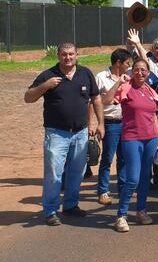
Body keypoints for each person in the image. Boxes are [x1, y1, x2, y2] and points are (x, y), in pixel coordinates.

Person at [25, 42, 104, 226]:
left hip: (80, 132)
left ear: (77, 55)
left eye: (71, 54)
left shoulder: (85, 73)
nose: (68, 57)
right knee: (54, 173)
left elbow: (96, 98)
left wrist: (101, 123)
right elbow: (28, 97)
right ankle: (51, 210)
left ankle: (70, 205)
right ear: (58, 56)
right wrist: (45, 86)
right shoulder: (49, 75)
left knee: (77, 172)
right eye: (64, 54)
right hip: (56, 133)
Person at [112, 59, 158, 232]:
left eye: (143, 70)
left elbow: (153, 116)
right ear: (131, 71)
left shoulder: (150, 91)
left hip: (151, 139)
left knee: (144, 178)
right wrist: (118, 82)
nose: (140, 72)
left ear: (148, 73)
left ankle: (141, 211)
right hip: (131, 138)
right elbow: (106, 99)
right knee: (133, 178)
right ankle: (121, 215)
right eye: (136, 69)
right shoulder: (126, 87)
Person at [127, 31, 158, 186]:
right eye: (157, 48)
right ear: (153, 50)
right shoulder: (148, 63)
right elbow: (142, 58)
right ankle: (145, 177)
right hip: (147, 108)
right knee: (147, 139)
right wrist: (137, 43)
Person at [94, 48, 132, 206]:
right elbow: (97, 101)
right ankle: (103, 191)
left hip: (126, 122)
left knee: (124, 158)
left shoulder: (129, 78)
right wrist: (97, 124)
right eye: (127, 63)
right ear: (118, 63)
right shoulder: (101, 78)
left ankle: (122, 189)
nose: (129, 66)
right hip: (110, 122)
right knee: (107, 158)